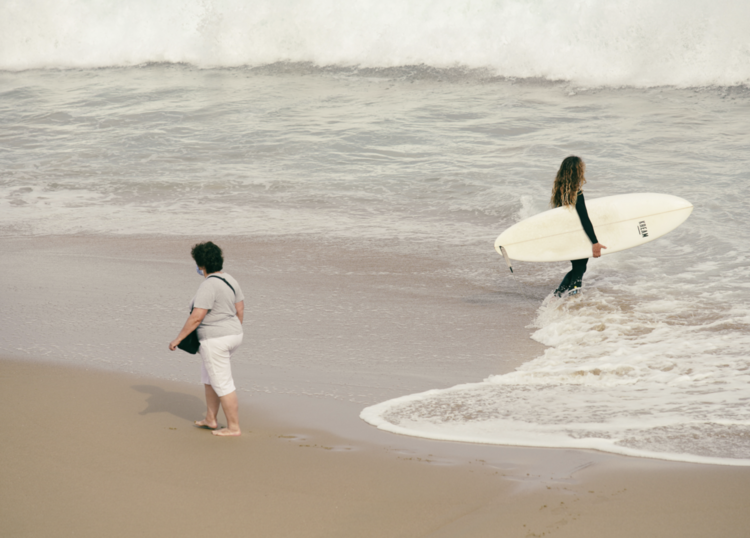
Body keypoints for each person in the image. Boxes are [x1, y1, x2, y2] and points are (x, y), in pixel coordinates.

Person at [169, 241, 245, 436]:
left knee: (222, 382)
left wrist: (178, 339)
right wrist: (232, 331)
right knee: (210, 377)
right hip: (234, 334)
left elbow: (197, 317)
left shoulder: (208, 285)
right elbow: (240, 309)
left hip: (215, 339)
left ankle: (234, 427)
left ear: (201, 265)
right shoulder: (230, 279)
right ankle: (210, 419)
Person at [551, 156, 607, 296]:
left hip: (567, 234)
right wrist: (595, 242)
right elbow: (584, 219)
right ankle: (572, 296)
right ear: (577, 171)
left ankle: (558, 294)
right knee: (580, 268)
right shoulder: (576, 193)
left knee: (578, 267)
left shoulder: (559, 190)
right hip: (577, 235)